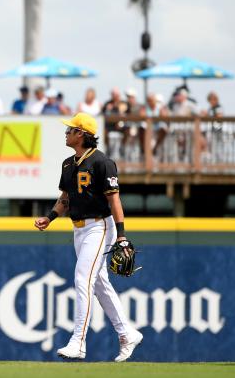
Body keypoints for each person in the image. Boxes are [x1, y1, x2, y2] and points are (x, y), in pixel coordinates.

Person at [33, 113, 142, 361]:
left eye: (70, 129)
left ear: (81, 134)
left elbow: (114, 200)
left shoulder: (102, 162)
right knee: (100, 283)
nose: (66, 132)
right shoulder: (68, 164)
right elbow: (65, 199)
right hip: (79, 228)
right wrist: (50, 217)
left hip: (99, 227)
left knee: (83, 279)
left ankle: (78, 342)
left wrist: (122, 236)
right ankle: (127, 333)